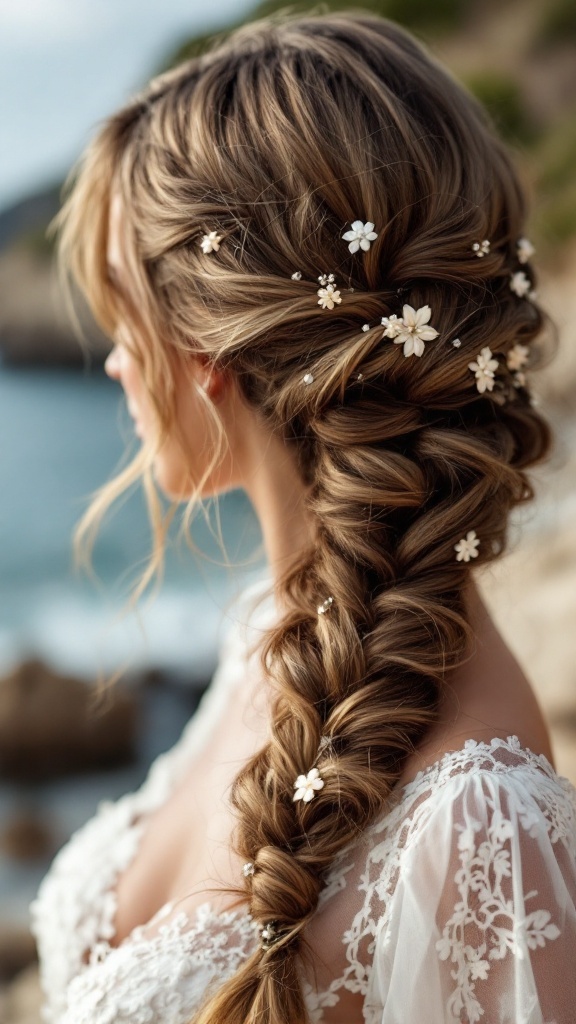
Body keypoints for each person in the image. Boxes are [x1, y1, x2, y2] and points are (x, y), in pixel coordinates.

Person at [30, 11, 576, 1024]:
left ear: (211, 348)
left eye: (122, 312)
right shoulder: (264, 634)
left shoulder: (480, 824)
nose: (112, 361)